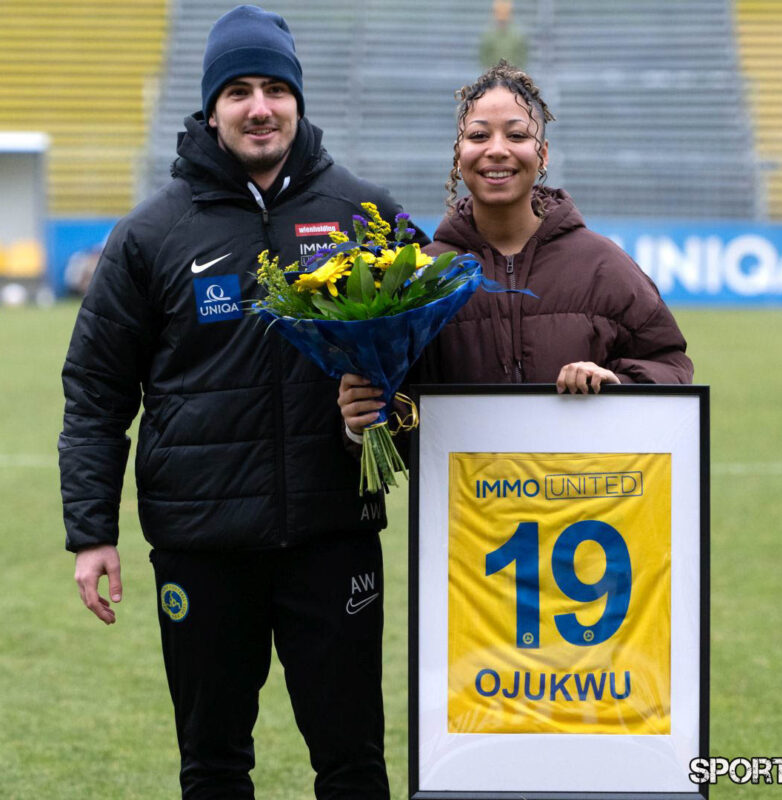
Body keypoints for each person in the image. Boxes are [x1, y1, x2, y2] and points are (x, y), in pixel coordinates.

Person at [59, 6, 424, 798]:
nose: (260, 107)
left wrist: (384, 418)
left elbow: (430, 364)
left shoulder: (368, 216)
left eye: (273, 88)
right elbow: (95, 392)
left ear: (297, 97)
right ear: (210, 106)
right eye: (238, 91)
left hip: (333, 538)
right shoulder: (151, 234)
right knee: (215, 765)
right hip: (202, 545)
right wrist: (91, 532)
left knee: (355, 764)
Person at [338, 61, 692, 435]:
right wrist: (361, 423)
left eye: (517, 136)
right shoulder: (423, 275)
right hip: (464, 493)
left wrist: (617, 384)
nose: (496, 150)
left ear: (543, 154)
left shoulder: (604, 266)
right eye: (478, 136)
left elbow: (669, 365)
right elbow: (400, 417)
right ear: (458, 154)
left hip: (578, 490)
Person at [479, 0, 528, 72]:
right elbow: (484, 58)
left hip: (512, 76)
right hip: (494, 76)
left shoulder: (517, 35)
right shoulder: (489, 36)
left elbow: (522, 57)